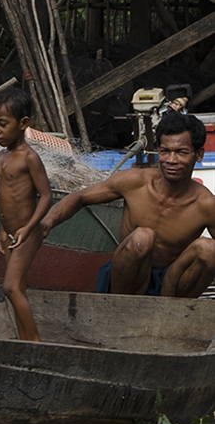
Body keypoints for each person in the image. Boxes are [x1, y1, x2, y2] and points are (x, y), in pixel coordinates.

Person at [40, 111, 215, 297]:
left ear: (199, 155)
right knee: (142, 237)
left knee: (209, 249)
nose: (171, 160)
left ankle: (173, 313)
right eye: (165, 151)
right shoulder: (134, 182)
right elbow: (79, 197)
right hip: (125, 279)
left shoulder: (206, 205)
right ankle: (119, 308)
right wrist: (45, 223)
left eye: (181, 152)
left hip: (172, 285)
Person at [0, 88, 52, 341]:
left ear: (24, 124)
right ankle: (23, 339)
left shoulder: (30, 158)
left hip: (28, 231)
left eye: (2, 124)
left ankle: (34, 341)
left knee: (10, 287)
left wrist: (28, 228)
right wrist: (3, 230)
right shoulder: (0, 157)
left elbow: (46, 196)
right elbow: (3, 195)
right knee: (19, 287)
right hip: (11, 233)